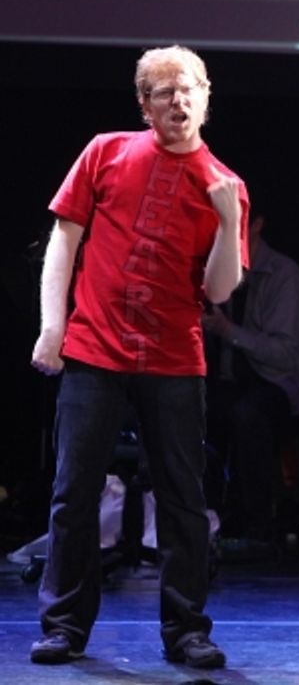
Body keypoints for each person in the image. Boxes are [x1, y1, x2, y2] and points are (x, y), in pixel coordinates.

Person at [28, 45, 248, 669]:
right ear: (144, 105)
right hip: (95, 345)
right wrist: (52, 327)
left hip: (175, 357)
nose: (178, 101)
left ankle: (186, 630)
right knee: (74, 491)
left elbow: (221, 290)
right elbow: (62, 242)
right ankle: (65, 626)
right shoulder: (105, 151)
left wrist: (228, 221)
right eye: (163, 92)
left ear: (206, 96)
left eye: (188, 90)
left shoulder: (224, 183)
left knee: (182, 496)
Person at [202, 204, 299, 554]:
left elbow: (284, 355)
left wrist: (226, 330)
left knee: (248, 414)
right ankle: (205, 519)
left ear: (257, 224)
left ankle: (259, 528)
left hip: (295, 384)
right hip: (246, 381)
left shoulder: (284, 276)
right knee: (192, 406)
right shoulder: (222, 272)